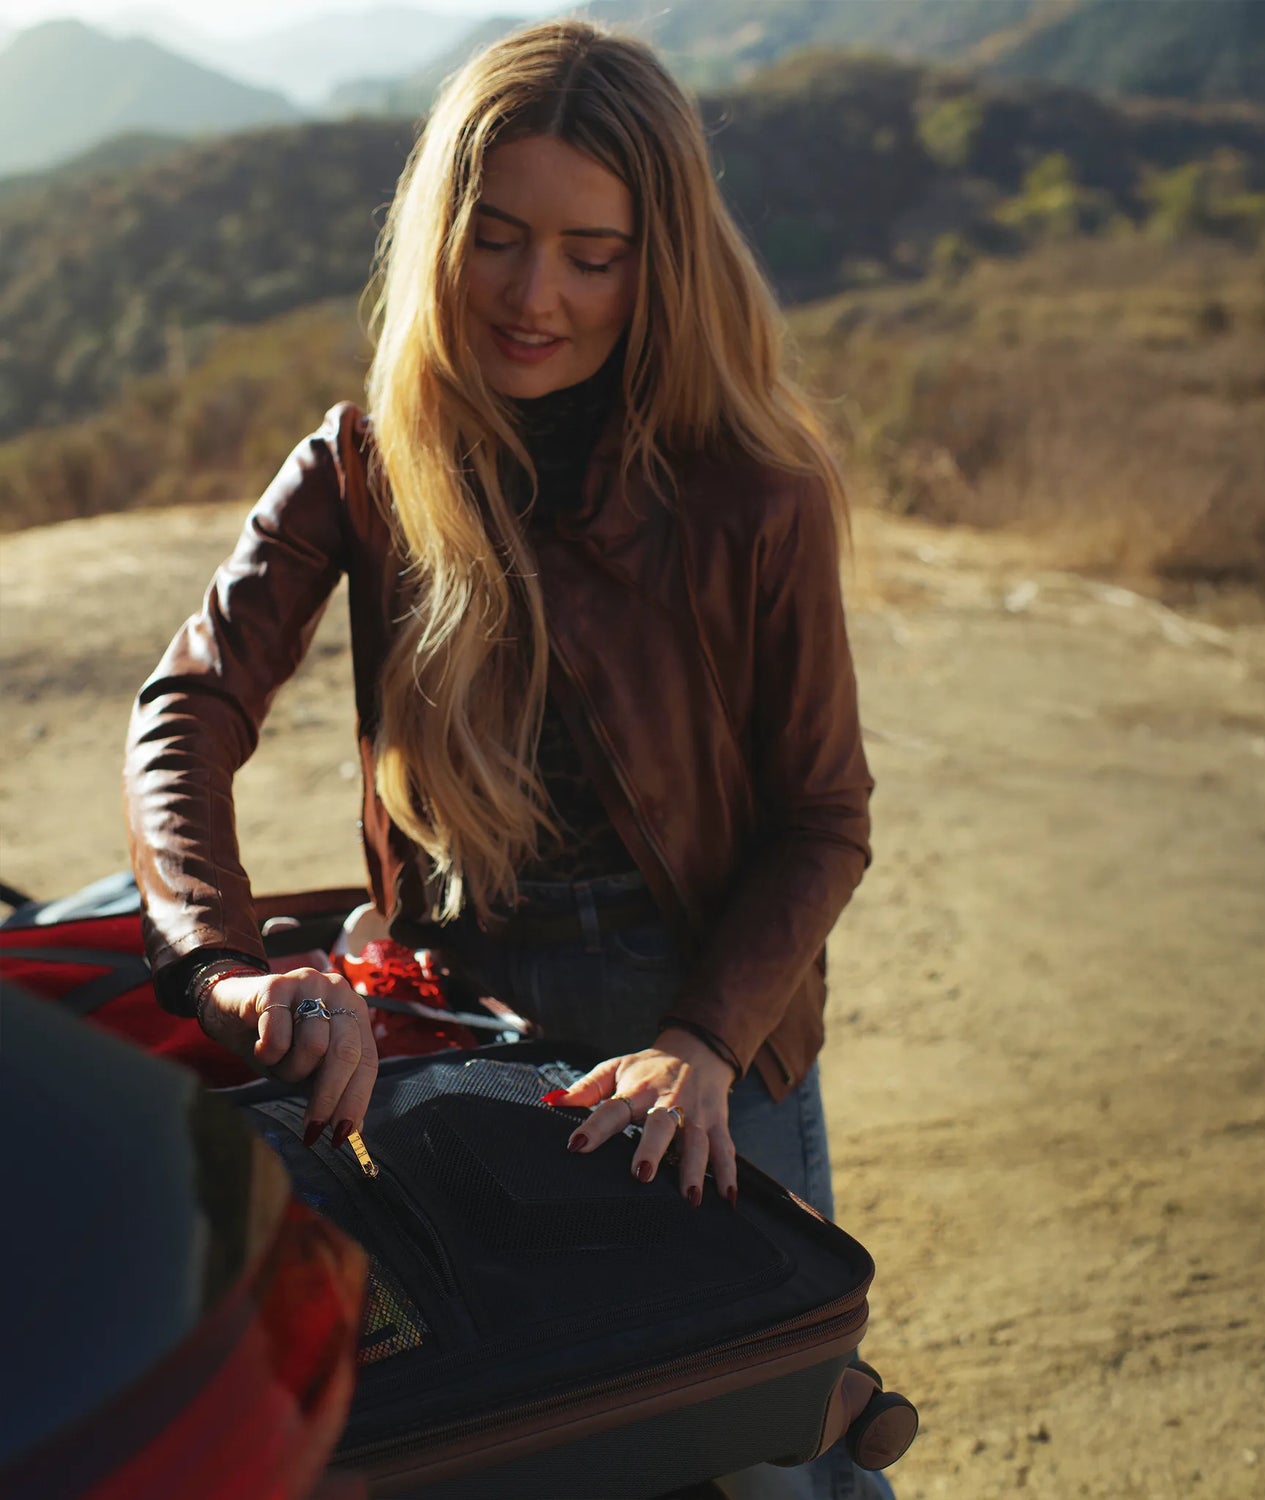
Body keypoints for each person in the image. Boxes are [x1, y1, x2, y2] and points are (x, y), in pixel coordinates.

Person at [124, 20, 891, 1500]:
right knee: (539, 1444)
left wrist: (703, 1047)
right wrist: (225, 962)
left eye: (593, 253)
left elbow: (825, 818)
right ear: (438, 235)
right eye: (496, 237)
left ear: (659, 259)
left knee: (766, 1455)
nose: (535, 297)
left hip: (708, 1041)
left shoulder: (756, 493)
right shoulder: (360, 462)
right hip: (462, 1038)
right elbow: (189, 705)